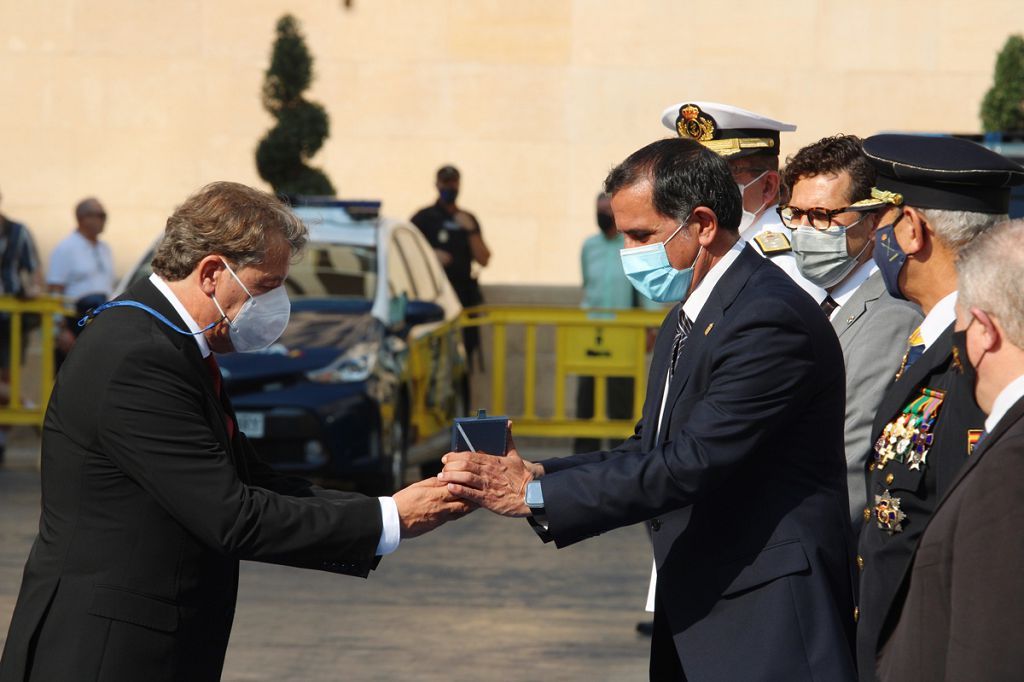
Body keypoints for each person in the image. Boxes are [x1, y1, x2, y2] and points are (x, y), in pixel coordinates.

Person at [0, 182, 473, 682]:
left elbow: (255, 480)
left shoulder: (170, 342)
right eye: (266, 286)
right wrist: (389, 519)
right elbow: (233, 515)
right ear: (210, 273)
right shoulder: (139, 355)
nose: (276, 306)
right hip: (103, 653)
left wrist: (392, 507)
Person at [441, 138, 857, 680]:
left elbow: (690, 462)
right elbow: (648, 448)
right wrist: (539, 472)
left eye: (642, 235)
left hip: (766, 616)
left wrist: (534, 496)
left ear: (703, 224)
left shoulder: (766, 318)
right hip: (704, 606)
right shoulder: (687, 313)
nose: (629, 252)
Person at [854, 134, 1024, 681]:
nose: (870, 236)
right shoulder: (930, 342)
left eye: (878, 220)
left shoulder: (975, 360)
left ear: (910, 228)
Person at [780, 135, 922, 525]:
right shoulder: (811, 301)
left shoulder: (894, 313)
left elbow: (849, 451)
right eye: (795, 213)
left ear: (874, 220)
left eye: (823, 215)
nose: (805, 230)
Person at [660, 100, 826, 303]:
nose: (698, 189)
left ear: (768, 186)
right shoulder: (715, 248)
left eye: (720, 176)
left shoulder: (782, 264)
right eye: (692, 176)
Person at [574, 192, 656, 454]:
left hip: (623, 331)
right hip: (592, 332)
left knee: (620, 398)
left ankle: (618, 456)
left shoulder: (631, 245)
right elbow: (588, 285)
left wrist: (650, 326)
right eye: (598, 210)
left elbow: (644, 288)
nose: (602, 216)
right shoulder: (589, 246)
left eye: (606, 211)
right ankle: (583, 456)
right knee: (586, 399)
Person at [410, 165, 491, 369]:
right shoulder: (424, 218)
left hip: (463, 296)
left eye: (453, 182)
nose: (450, 187)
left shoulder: (467, 218)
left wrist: (470, 230)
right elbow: (407, 253)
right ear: (437, 184)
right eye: (445, 182)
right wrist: (430, 255)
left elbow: (484, 259)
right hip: (433, 296)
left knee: (464, 357)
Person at [46, 197, 116, 366]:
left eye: (103, 215)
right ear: (82, 218)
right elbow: (55, 291)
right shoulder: (66, 248)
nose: (102, 220)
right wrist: (60, 330)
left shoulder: (104, 248)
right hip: (75, 322)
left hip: (100, 321)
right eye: (98, 215)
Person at [0, 188, 42, 465]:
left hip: (9, 319)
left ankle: (1, 443)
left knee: (6, 377)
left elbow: (35, 272)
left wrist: (33, 289)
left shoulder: (17, 232)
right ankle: (25, 402)